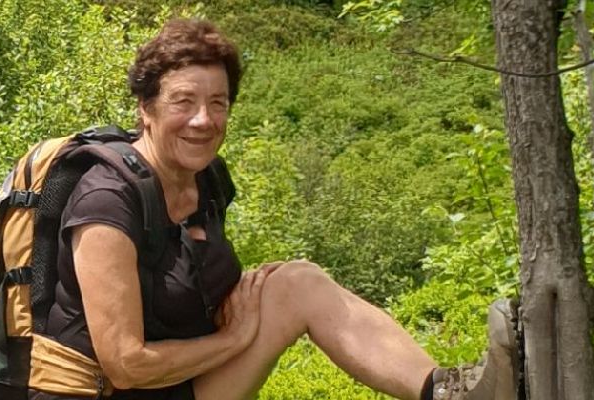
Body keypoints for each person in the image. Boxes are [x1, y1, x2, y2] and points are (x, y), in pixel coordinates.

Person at [49, 18, 518, 399]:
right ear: (145, 109)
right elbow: (127, 365)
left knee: (297, 283)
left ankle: (446, 394)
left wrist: (240, 307)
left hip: (181, 384)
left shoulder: (207, 179)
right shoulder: (106, 201)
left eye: (219, 102)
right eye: (183, 101)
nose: (204, 120)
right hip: (108, 392)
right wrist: (233, 338)